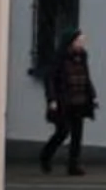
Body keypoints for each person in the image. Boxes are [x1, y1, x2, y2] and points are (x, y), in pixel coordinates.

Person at [39, 28, 98, 175]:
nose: (82, 44)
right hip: (63, 101)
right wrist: (52, 99)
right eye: (79, 41)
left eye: (82, 41)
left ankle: (73, 165)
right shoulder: (59, 58)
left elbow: (85, 75)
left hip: (79, 100)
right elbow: (50, 79)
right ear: (71, 42)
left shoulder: (82, 56)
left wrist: (91, 94)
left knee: (77, 134)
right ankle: (46, 156)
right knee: (63, 131)